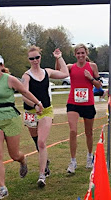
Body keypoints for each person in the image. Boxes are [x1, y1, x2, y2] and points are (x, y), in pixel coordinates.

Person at [0, 54, 43, 199]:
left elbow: (25, 91)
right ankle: (2, 187)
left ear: (1, 66)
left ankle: (22, 161)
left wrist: (37, 103)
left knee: (14, 154)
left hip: (11, 119)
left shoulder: (9, 79)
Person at [22, 45, 69, 187]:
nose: (35, 60)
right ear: (29, 60)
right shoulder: (26, 76)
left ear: (40, 57)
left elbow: (65, 73)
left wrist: (59, 57)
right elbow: (24, 95)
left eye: (37, 57)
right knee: (37, 141)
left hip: (46, 111)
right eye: (32, 58)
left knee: (42, 142)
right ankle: (45, 162)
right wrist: (35, 105)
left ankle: (42, 175)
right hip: (31, 112)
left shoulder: (47, 72)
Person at [56, 43, 101, 174]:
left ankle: (89, 156)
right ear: (75, 54)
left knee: (89, 132)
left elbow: (98, 85)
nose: (80, 55)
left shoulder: (92, 66)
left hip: (88, 103)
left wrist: (90, 78)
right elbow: (59, 70)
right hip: (73, 103)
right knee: (73, 131)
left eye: (83, 53)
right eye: (78, 53)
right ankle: (73, 161)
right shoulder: (71, 67)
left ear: (86, 54)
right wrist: (58, 57)